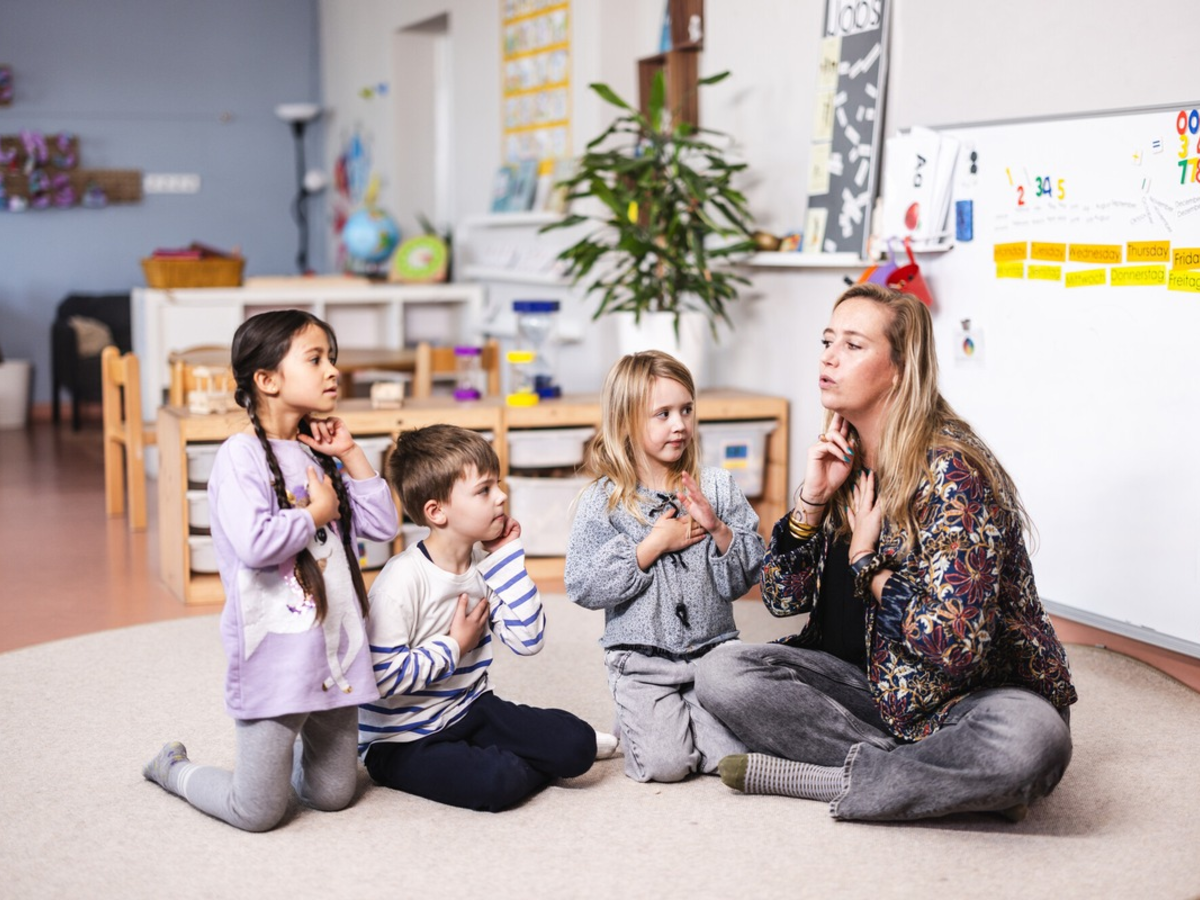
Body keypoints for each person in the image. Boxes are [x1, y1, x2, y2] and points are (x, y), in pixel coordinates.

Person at [694, 283, 1078, 822]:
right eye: (828, 341)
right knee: (721, 672)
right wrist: (811, 502)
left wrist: (867, 565)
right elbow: (781, 599)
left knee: (1032, 742)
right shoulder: (840, 455)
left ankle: (834, 778)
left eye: (853, 345)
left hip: (964, 698)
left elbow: (958, 647)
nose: (829, 357)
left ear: (899, 368)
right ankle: (936, 777)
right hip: (865, 689)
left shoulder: (953, 472)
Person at [142, 310, 399, 831]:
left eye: (332, 359)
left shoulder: (319, 453)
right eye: (315, 359)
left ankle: (293, 754)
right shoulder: (240, 457)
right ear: (267, 379)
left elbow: (383, 524)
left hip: (334, 659)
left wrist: (349, 453)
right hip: (276, 660)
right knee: (257, 812)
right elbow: (256, 544)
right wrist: (316, 514)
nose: (333, 371)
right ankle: (173, 768)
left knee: (333, 795)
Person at [359, 424, 609, 812]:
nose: (502, 496)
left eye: (498, 484)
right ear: (436, 511)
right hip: (402, 739)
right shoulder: (400, 582)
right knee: (496, 782)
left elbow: (528, 640)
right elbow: (381, 678)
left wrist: (507, 557)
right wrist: (454, 646)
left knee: (578, 745)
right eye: (484, 490)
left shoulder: (487, 565)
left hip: (470, 707)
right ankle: (514, 765)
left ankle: (519, 760)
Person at [565, 351, 765, 783]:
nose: (680, 425)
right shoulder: (604, 500)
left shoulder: (717, 486)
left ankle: (672, 713)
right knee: (668, 766)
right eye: (663, 414)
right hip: (642, 664)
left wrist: (718, 529)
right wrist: (652, 546)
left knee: (729, 757)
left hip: (712, 658)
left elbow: (746, 573)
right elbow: (582, 584)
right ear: (626, 423)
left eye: (686, 410)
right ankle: (639, 710)